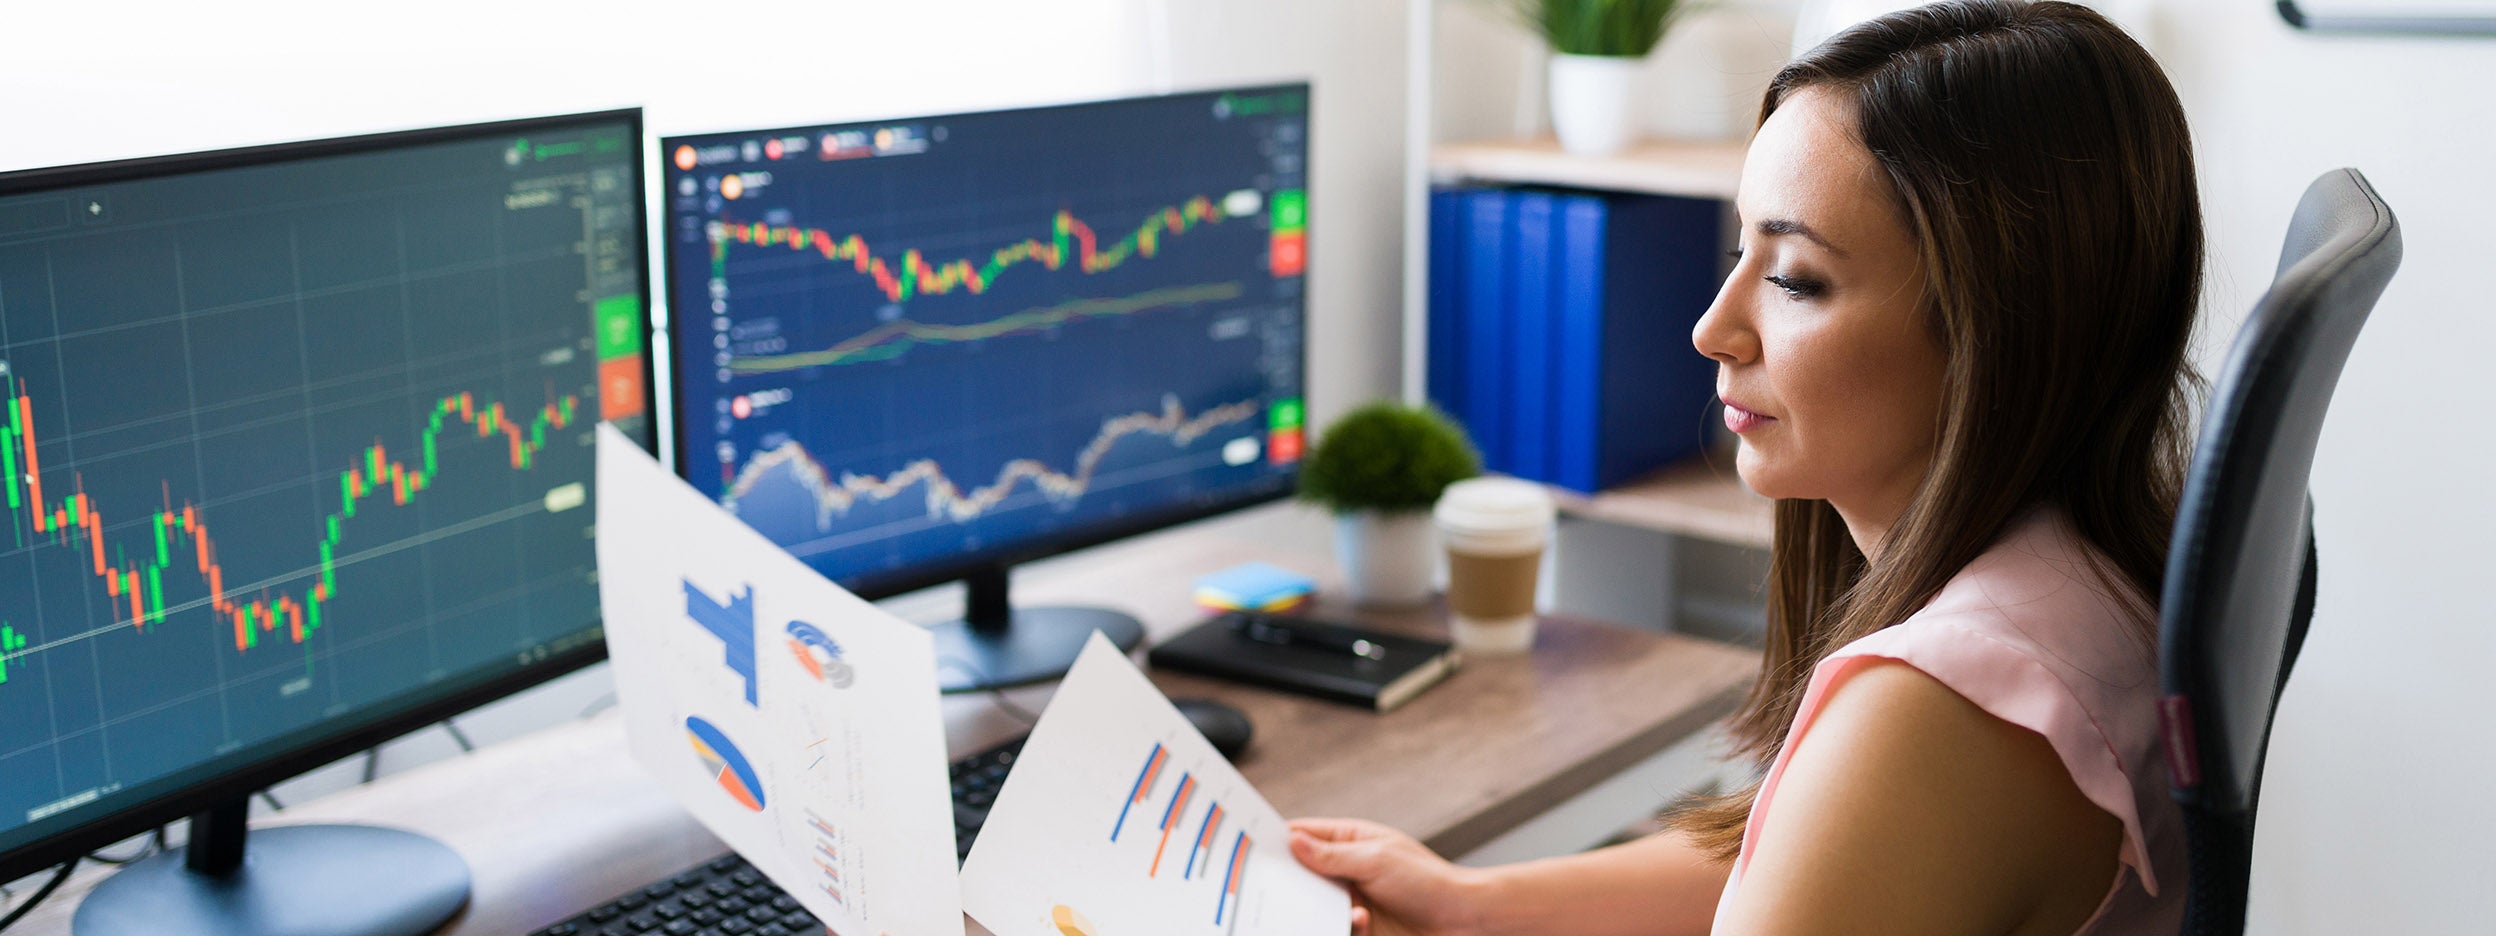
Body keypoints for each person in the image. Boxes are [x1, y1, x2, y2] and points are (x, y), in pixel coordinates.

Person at [1289, 2, 2203, 933]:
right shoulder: (2087, 569)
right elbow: (1816, 857)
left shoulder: (1942, 710)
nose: (1711, 330)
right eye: (1740, 251)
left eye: (1796, 278)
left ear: (1998, 331)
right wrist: (1473, 907)